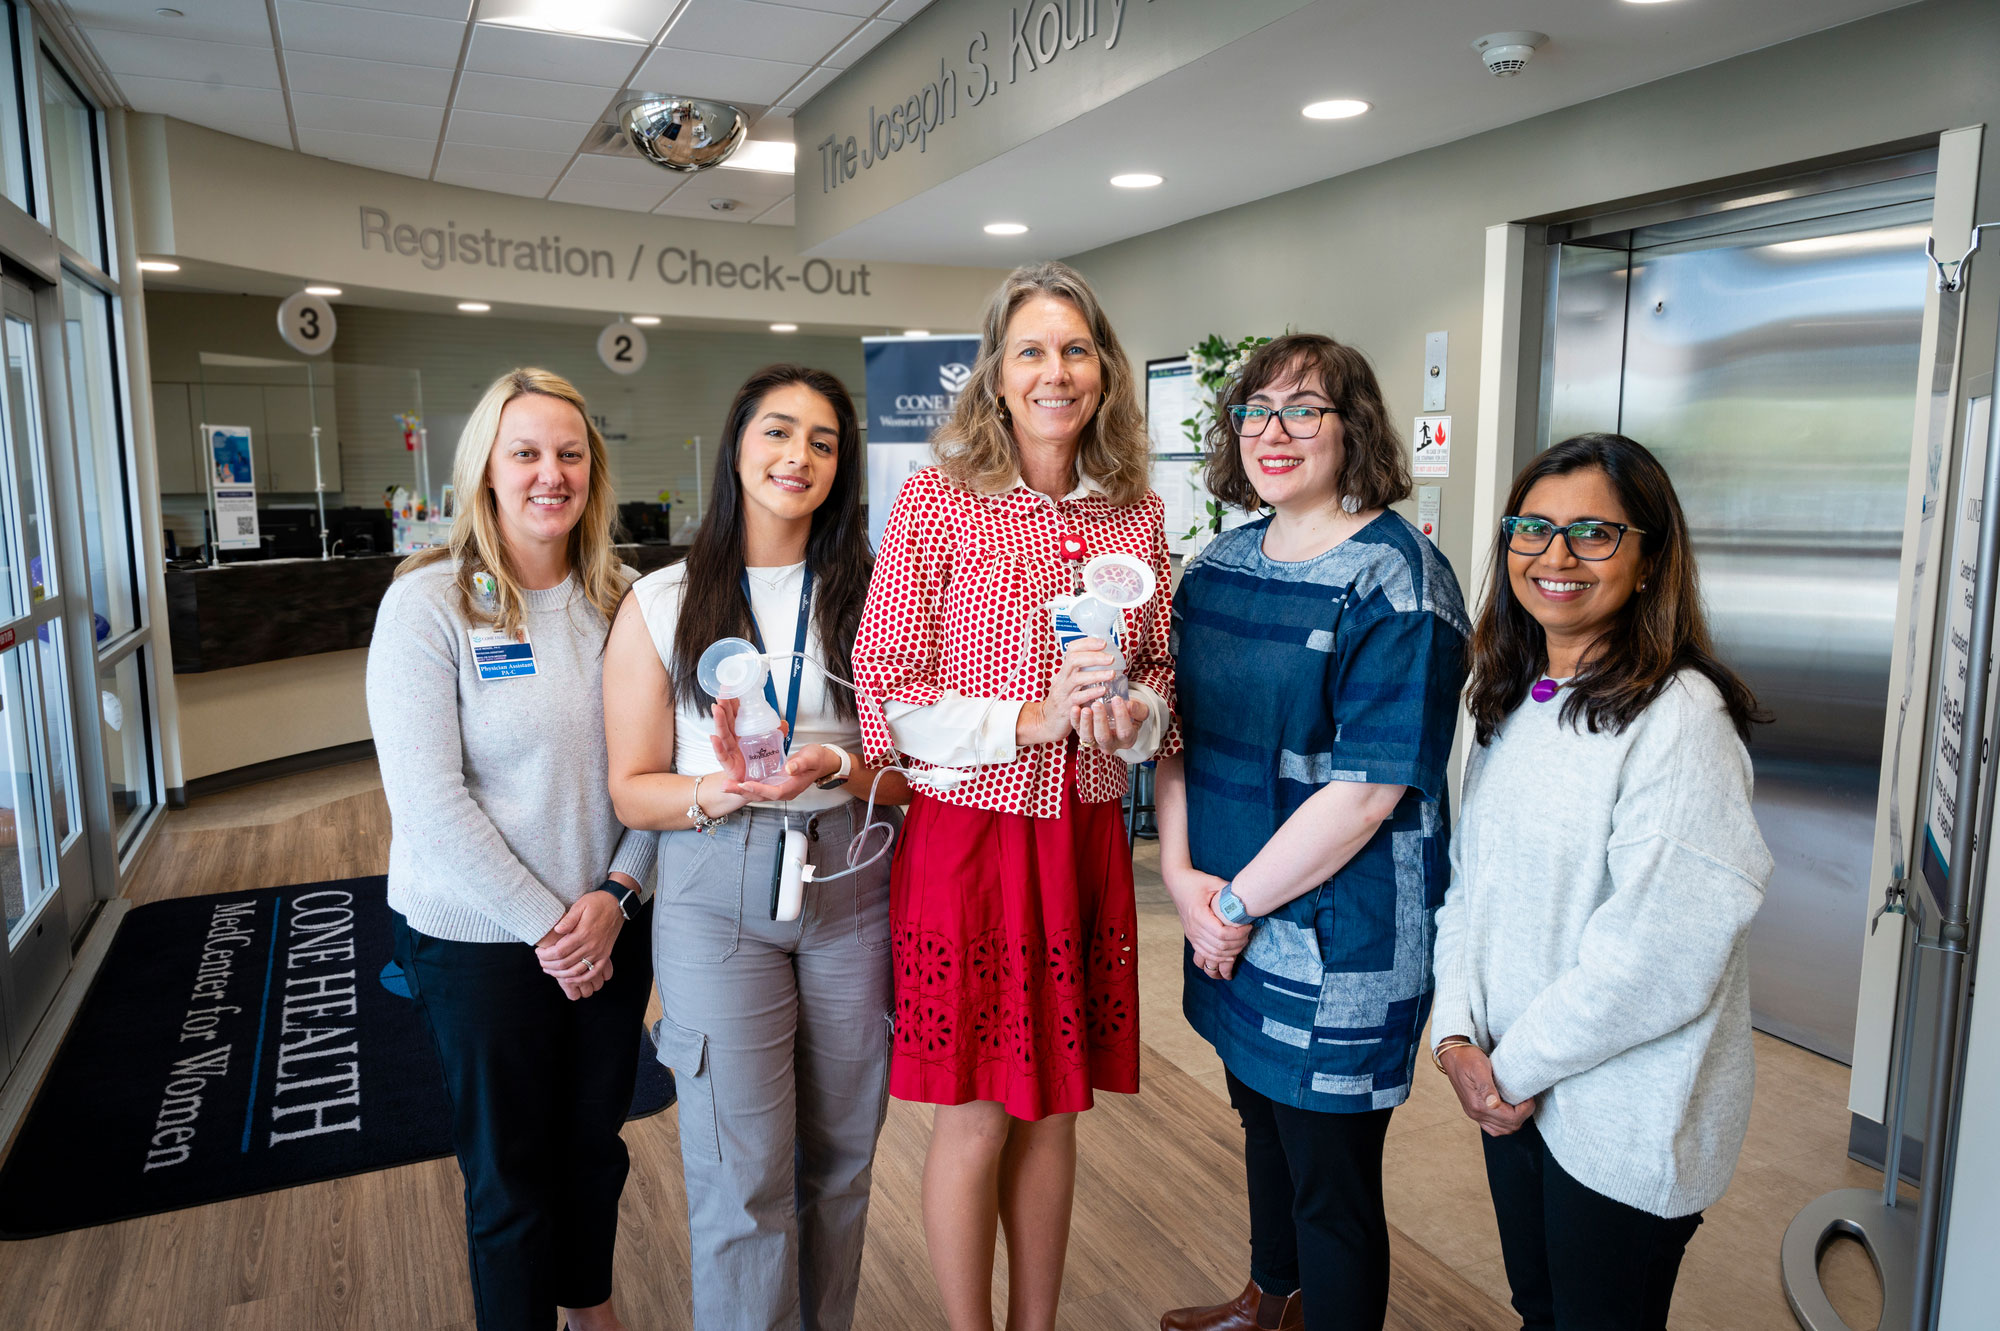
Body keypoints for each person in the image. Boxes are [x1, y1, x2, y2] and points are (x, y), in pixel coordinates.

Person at [852, 260, 1176, 1331]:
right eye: (1030, 349)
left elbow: (1160, 668)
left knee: (1056, 1108)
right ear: (993, 373)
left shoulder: (1136, 513)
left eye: (1075, 349)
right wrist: (1027, 716)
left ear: (1103, 371)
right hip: (972, 839)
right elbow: (886, 684)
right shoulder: (936, 502)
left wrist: (1135, 720)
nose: (1055, 371)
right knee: (982, 1110)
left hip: (1083, 831)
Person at [1155, 334, 1469, 1331]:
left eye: (1303, 409)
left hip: (1344, 936)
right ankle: (1269, 1299)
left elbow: (1368, 791)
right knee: (1258, 1114)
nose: (1272, 431)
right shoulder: (1217, 566)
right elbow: (1174, 732)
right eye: (1255, 408)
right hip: (1223, 915)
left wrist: (1234, 903)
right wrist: (1178, 879)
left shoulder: (1399, 580)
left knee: (1330, 1173)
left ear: (1355, 427)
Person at [1431, 432, 1772, 1331]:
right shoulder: (1508, 697)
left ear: (1652, 556)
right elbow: (1470, 883)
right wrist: (1456, 1034)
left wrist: (1505, 1067)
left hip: (1623, 1114)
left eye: (1593, 532)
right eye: (1532, 528)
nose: (1555, 555)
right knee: (1540, 1307)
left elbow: (1655, 959)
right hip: (1512, 1087)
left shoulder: (1682, 721)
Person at [602, 364, 910, 1331]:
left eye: (823, 442)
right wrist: (717, 787)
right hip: (716, 876)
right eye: (778, 432)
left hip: (852, 872)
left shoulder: (881, 590)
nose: (798, 456)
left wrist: (842, 770)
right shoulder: (661, 599)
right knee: (742, 1175)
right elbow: (631, 787)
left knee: (842, 1159)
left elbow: (921, 775)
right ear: (737, 444)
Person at [368, 368, 655, 1331]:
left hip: (611, 919)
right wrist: (551, 928)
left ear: (594, 470)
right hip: (482, 941)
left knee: (592, 1149)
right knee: (511, 1178)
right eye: (525, 452)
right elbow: (429, 802)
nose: (550, 473)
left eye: (570, 453)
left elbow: (659, 768)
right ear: (485, 469)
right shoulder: (429, 605)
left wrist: (617, 892)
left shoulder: (624, 602)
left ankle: (592, 1310)